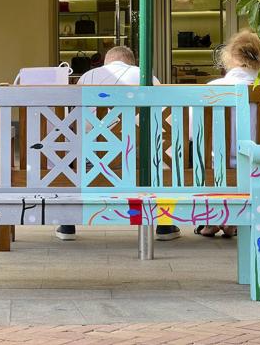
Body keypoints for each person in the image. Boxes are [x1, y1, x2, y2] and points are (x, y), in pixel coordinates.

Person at [55, 46, 182, 242]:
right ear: (131, 62)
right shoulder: (147, 77)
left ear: (107, 61)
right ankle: (165, 224)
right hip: (142, 162)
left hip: (93, 161)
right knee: (158, 147)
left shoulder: (88, 77)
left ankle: (67, 223)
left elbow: (71, 122)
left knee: (78, 141)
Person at [198, 29, 260, 237]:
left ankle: (215, 220)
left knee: (212, 156)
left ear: (230, 57)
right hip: (258, 161)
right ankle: (234, 222)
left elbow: (194, 134)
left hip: (219, 162)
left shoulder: (212, 88)